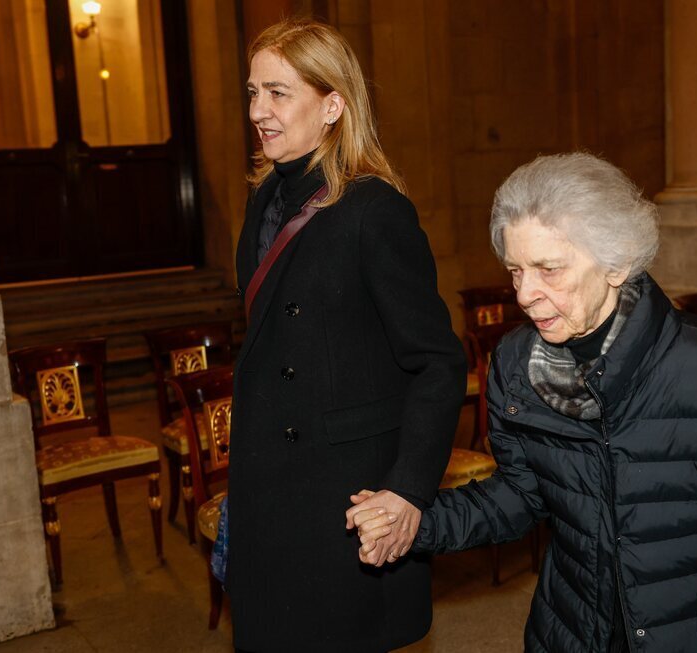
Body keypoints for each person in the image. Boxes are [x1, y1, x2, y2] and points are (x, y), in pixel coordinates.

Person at [350, 153, 697, 652]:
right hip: (572, 633)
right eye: (515, 270)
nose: (525, 294)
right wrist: (414, 523)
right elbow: (522, 494)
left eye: (549, 269)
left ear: (617, 262)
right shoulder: (515, 365)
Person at [229, 20, 466, 653]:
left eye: (278, 93)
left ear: (333, 104)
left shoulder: (373, 210)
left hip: (343, 499)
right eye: (253, 93)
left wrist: (409, 490)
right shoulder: (263, 200)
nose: (258, 112)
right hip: (267, 487)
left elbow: (438, 364)